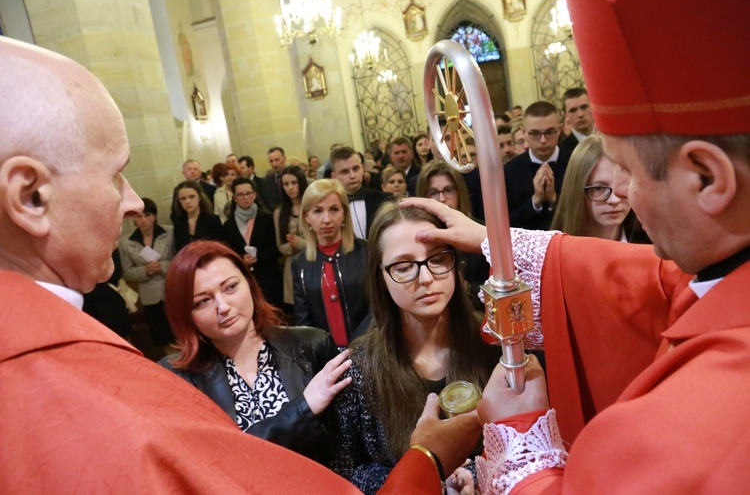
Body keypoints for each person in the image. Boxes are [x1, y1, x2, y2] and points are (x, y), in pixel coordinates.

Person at [0, 35, 489, 494]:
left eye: (437, 260)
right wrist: (426, 460)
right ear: (31, 195)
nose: (133, 202)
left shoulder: (313, 349)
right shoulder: (77, 377)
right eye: (116, 175)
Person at [402, 0, 750, 490]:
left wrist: (519, 434)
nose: (622, 194)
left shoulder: (713, 407)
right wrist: (493, 240)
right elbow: (657, 282)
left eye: (626, 170)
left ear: (708, 179)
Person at [329, 202, 501, 494]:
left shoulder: (494, 343)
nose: (426, 278)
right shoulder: (360, 367)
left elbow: (519, 441)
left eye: (437, 259)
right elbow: (345, 472)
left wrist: (475, 472)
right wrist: (425, 471)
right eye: (404, 267)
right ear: (380, 276)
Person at [158, 240, 350, 460]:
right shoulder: (176, 376)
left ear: (249, 283)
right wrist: (303, 408)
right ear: (186, 314)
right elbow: (216, 457)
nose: (223, 307)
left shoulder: (312, 344)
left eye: (231, 287)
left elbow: (348, 443)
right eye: (203, 301)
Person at [291, 179, 370, 347]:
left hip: (370, 349)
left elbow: (379, 309)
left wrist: (357, 348)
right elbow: (304, 322)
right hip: (326, 358)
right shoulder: (299, 263)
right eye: (317, 211)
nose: (326, 219)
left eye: (334, 209)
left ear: (344, 214)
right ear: (307, 217)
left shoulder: (366, 251)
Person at [416, 161, 490, 311]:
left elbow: (495, 285)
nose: (441, 199)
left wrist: (467, 287)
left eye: (448, 190)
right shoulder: (416, 237)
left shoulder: (480, 231)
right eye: (433, 192)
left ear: (459, 192)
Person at [550, 136, 648, 242]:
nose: (614, 200)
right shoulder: (554, 249)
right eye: (599, 188)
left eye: (623, 186)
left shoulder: (651, 246)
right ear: (577, 191)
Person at [504, 101, 572, 230]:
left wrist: (554, 201)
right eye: (534, 133)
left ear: (560, 129)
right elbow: (506, 223)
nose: (543, 140)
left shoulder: (576, 163)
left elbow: (585, 216)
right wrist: (535, 202)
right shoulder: (508, 171)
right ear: (524, 132)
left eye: (550, 132)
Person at [120, 198, 175, 351]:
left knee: (180, 331)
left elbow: (180, 260)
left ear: (155, 216)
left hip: (171, 289)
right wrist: (145, 271)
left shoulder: (169, 232)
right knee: (162, 336)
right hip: (149, 294)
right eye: (139, 216)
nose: (144, 220)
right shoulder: (126, 242)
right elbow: (126, 272)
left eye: (148, 215)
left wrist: (162, 266)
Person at [223, 177, 284, 309]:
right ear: (234, 198)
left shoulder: (268, 219)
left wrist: (259, 257)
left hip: (269, 277)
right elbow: (228, 252)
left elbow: (277, 248)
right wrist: (241, 258)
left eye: (248, 193)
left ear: (254, 195)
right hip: (244, 280)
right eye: (240, 194)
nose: (245, 197)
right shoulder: (229, 225)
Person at [331, 146, 388, 240]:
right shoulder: (330, 207)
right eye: (345, 172)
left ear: (362, 169)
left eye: (356, 169)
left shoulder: (384, 200)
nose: (352, 176)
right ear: (334, 176)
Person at [273, 166, 309, 310]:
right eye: (286, 184)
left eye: (294, 183)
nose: (290, 188)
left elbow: (322, 239)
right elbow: (280, 245)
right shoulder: (280, 212)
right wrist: (290, 246)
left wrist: (300, 243)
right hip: (292, 264)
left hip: (313, 259)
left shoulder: (312, 205)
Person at [172, 180, 224, 252]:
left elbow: (220, 247)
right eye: (183, 198)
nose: (187, 201)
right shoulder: (179, 223)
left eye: (191, 197)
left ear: (199, 197)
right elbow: (178, 250)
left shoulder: (212, 220)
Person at [559, 87, 596, 153]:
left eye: (584, 107)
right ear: (566, 115)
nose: (580, 114)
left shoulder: (610, 141)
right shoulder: (562, 150)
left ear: (593, 107)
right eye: (573, 110)